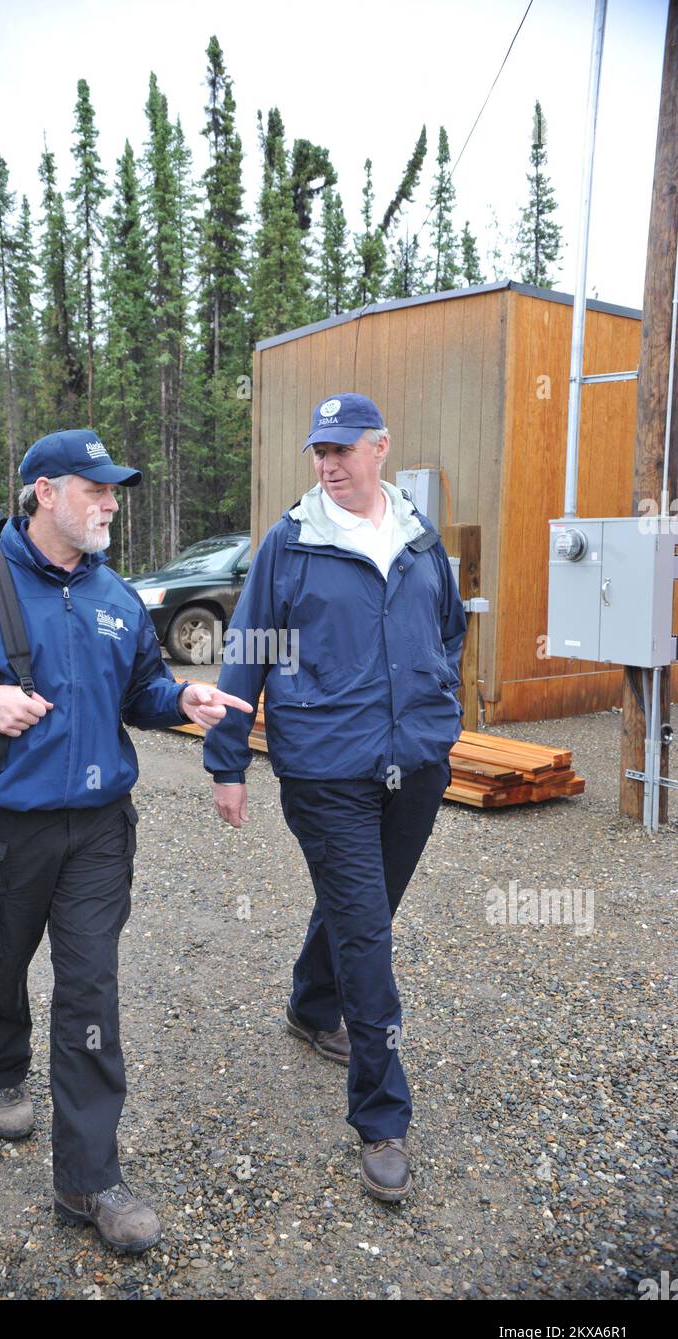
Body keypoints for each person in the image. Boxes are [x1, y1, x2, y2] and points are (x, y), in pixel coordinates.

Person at [0, 428, 250, 1254]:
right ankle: (3, 1071)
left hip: (97, 832)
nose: (110, 503)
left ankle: (88, 1180)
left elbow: (141, 690)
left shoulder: (117, 596)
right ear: (45, 492)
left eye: (114, 491)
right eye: (96, 489)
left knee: (90, 993)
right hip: (4, 827)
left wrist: (178, 703)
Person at [202, 392, 467, 1204]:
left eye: (343, 449)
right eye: (319, 450)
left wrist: (436, 706)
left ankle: (311, 1004)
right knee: (367, 932)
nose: (328, 463)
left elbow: (448, 629)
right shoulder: (292, 541)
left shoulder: (420, 539)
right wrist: (227, 761)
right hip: (325, 770)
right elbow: (249, 646)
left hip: (415, 762)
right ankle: (382, 1117)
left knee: (366, 909)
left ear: (380, 447)